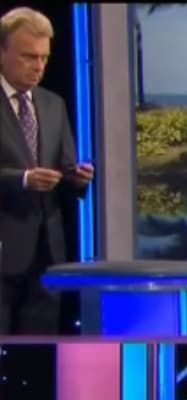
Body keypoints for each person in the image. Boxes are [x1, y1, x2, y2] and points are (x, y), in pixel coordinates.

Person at [0, 7, 93, 334]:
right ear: (2, 51)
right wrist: (23, 180)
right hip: (4, 248)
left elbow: (64, 167)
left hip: (47, 253)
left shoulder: (53, 104)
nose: (38, 66)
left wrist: (77, 178)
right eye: (28, 56)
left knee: (38, 354)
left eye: (44, 58)